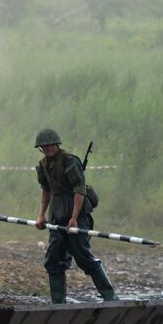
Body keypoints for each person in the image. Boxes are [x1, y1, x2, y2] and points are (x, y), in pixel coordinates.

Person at [33, 128, 117, 304]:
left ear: (57, 144)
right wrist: (41, 215)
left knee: (83, 257)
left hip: (76, 212)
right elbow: (46, 190)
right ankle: (58, 303)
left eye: (50, 145)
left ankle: (110, 297)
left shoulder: (69, 160)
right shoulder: (42, 165)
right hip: (57, 214)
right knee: (53, 260)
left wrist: (74, 218)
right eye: (44, 146)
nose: (48, 149)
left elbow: (79, 190)